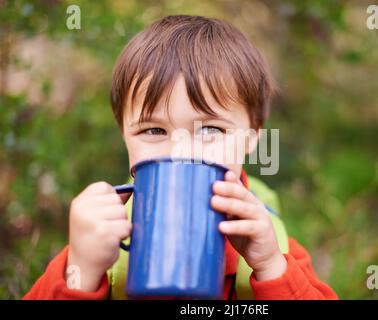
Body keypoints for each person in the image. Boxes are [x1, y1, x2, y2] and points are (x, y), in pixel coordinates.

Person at [24, 15, 338, 300]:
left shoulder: (277, 251)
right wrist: (81, 270)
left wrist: (270, 267)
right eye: (154, 131)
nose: (180, 154)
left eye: (209, 130)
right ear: (125, 136)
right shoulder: (101, 240)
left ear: (252, 139)